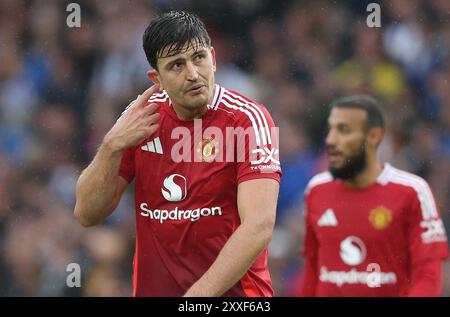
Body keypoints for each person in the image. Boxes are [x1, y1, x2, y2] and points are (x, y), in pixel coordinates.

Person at [74, 11, 281, 297]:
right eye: (176, 65)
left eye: (199, 58)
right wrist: (111, 146)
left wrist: (195, 299)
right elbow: (87, 213)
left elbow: (259, 225)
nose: (193, 74)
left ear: (213, 57)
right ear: (156, 78)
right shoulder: (141, 119)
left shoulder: (248, 120)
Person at [299, 95, 448, 296]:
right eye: (331, 130)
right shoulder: (317, 189)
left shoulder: (412, 191)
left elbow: (428, 275)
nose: (331, 140)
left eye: (343, 130)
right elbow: (312, 270)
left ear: (374, 136)